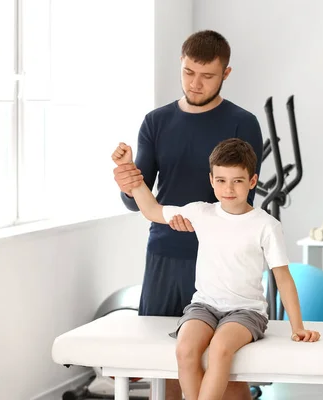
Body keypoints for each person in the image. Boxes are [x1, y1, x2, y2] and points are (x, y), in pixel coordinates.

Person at [112, 30, 264, 400]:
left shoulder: (242, 123)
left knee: (226, 369)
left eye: (207, 75)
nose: (195, 84)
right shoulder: (156, 122)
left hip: (220, 260)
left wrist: (201, 219)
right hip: (166, 255)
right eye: (188, 72)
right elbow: (137, 203)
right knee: (167, 366)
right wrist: (126, 181)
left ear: (225, 74)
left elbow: (242, 200)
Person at [112, 138, 320, 400]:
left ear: (252, 181)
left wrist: (297, 327)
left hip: (246, 311)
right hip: (204, 307)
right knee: (185, 349)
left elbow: (284, 278)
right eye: (221, 180)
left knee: (221, 349)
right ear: (211, 180)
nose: (228, 188)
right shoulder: (201, 212)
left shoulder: (266, 225)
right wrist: (130, 169)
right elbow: (152, 210)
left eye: (237, 180)